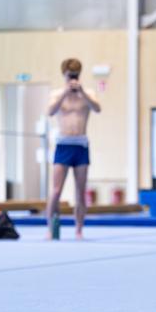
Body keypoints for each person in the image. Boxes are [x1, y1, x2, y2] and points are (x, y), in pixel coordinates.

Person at [46, 58, 101, 239]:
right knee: (55, 191)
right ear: (64, 75)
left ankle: (78, 229)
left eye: (75, 75)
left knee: (80, 190)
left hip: (81, 146)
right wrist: (65, 93)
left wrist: (82, 91)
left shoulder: (88, 93)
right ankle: (50, 228)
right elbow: (50, 111)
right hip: (63, 145)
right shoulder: (57, 94)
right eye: (70, 75)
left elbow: (97, 109)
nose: (73, 79)